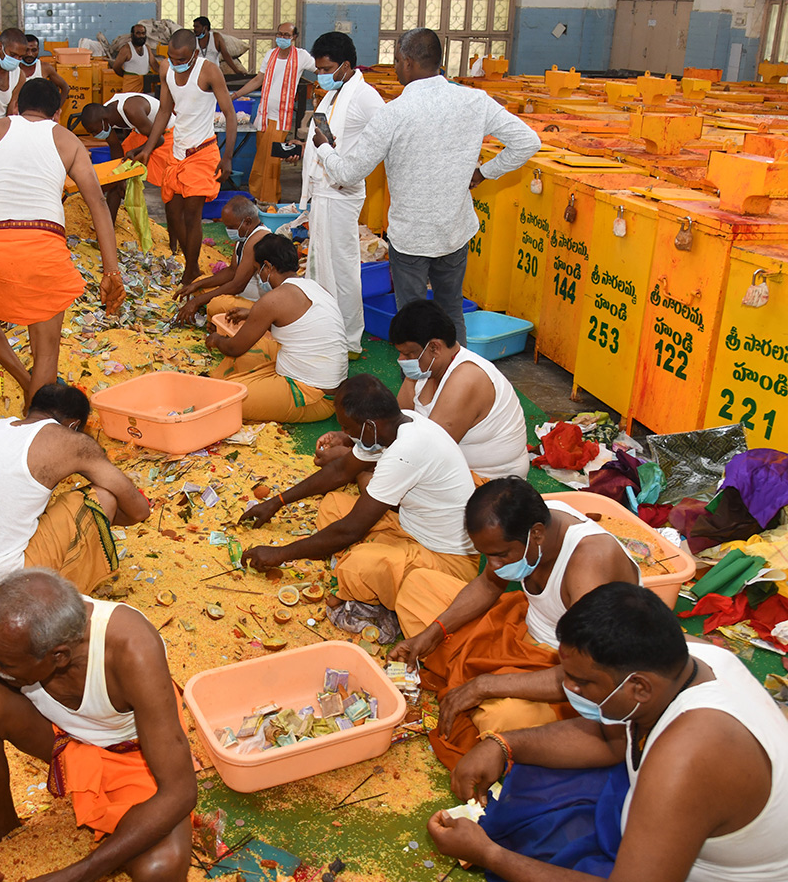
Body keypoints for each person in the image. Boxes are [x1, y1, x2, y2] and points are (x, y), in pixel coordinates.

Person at [429, 583, 788, 882]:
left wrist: (490, 854)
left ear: (640, 688)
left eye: (582, 682)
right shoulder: (690, 658)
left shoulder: (685, 759)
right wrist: (504, 745)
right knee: (539, 773)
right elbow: (609, 741)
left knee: (539, 829)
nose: (568, 689)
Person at [0, 570, 196, 882]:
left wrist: (79, 874)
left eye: (5, 665)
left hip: (134, 753)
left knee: (161, 869)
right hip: (61, 736)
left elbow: (180, 791)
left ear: (59, 657)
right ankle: (10, 836)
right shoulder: (4, 638)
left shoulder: (131, 650)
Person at [389, 476, 640, 769]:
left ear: (537, 535)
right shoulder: (529, 525)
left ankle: (473, 687)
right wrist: (432, 634)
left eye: (500, 555)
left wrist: (486, 685)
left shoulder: (590, 563)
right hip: (519, 625)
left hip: (571, 666)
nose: (493, 565)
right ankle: (464, 675)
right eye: (487, 555)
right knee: (417, 587)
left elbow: (589, 674)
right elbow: (488, 584)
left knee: (503, 721)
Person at [312, 28, 540, 345]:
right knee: (451, 310)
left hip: (411, 238)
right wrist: (486, 172)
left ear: (407, 62)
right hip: (454, 231)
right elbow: (528, 142)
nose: (395, 68)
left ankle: (420, 384)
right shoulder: (474, 101)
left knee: (412, 316)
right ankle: (454, 379)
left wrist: (324, 148)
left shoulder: (394, 113)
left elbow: (349, 173)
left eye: (395, 61)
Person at [240, 374, 478, 636]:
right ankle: (366, 572)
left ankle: (370, 583)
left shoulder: (405, 452)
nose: (345, 434)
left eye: (347, 428)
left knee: (358, 566)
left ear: (369, 426)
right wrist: (277, 502)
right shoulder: (396, 424)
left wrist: (280, 554)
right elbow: (341, 470)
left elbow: (350, 531)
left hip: (448, 559)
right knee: (333, 506)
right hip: (412, 527)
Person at [0, 78, 125, 407]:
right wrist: (111, 270)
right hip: (44, 244)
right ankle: (37, 409)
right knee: (46, 349)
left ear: (16, 106)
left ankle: (23, 379)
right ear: (57, 113)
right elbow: (97, 201)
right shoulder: (67, 139)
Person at [0, 382, 150, 621]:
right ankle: (53, 610)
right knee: (102, 499)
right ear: (73, 425)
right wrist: (104, 517)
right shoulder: (70, 441)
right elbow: (138, 510)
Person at [298, 32, 385, 354]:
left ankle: (349, 339)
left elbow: (384, 136)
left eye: (326, 69)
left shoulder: (364, 96)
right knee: (321, 265)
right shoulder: (335, 94)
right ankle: (326, 329)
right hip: (325, 189)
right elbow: (331, 137)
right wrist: (306, 150)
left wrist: (347, 162)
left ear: (346, 65)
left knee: (343, 269)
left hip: (341, 191)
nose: (321, 76)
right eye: (318, 69)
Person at [207, 233, 346, 423]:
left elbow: (234, 347)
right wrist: (252, 313)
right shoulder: (314, 287)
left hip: (312, 397)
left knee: (219, 397)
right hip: (322, 381)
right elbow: (296, 323)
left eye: (258, 270)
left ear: (268, 267)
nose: (259, 276)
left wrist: (216, 340)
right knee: (252, 352)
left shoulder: (274, 300)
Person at [138, 29, 236, 290]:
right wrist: (148, 148)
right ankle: (189, 260)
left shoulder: (209, 71)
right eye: (171, 57)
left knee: (193, 214)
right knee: (172, 210)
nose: (176, 63)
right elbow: (165, 110)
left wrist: (227, 157)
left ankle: (191, 269)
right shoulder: (165, 69)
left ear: (194, 54)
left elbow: (230, 114)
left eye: (181, 59)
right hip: (177, 151)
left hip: (203, 152)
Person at [391, 299, 529, 479]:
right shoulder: (424, 369)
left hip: (490, 485)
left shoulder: (467, 379)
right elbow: (395, 423)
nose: (402, 360)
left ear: (434, 347)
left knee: (369, 480)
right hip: (448, 471)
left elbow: (428, 454)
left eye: (408, 354)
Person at [232, 22, 313, 203]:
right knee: (261, 158)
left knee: (272, 161)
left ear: (294, 38)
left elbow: (322, 70)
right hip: (264, 115)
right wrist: (236, 95)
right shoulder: (271, 54)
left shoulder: (302, 56)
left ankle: (269, 200)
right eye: (280, 34)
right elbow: (259, 79)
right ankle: (256, 194)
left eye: (286, 35)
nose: (282, 38)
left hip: (281, 117)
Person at [173, 194, 270, 324]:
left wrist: (198, 301)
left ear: (247, 222)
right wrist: (196, 284)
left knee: (215, 305)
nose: (228, 231)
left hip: (256, 301)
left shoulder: (258, 239)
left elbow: (237, 285)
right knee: (198, 286)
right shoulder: (244, 234)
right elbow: (231, 271)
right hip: (239, 291)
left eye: (231, 227)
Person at [80, 95, 173, 229]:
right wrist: (119, 176)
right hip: (143, 132)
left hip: (167, 133)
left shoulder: (131, 110)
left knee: (169, 184)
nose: (94, 136)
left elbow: (159, 140)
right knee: (116, 180)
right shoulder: (105, 115)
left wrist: (135, 151)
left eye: (94, 131)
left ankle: (174, 238)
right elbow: (115, 146)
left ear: (104, 121)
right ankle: (107, 227)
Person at [0, 28, 26, 120]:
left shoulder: (19, 76)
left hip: (1, 128)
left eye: (20, 57)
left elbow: (11, 112)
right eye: (12, 55)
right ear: (0, 47)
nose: (16, 60)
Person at [21, 33, 71, 102]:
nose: (30, 54)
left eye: (34, 50)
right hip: (18, 111)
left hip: (39, 111)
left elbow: (65, 88)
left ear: (38, 50)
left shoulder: (45, 68)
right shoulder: (14, 68)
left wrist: (56, 109)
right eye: (26, 50)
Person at [112, 24, 158, 93]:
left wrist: (165, 72)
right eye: (138, 33)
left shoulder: (147, 48)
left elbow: (154, 64)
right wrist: (129, 76)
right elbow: (116, 67)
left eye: (143, 33)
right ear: (132, 35)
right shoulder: (126, 49)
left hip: (146, 85)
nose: (141, 36)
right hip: (131, 86)